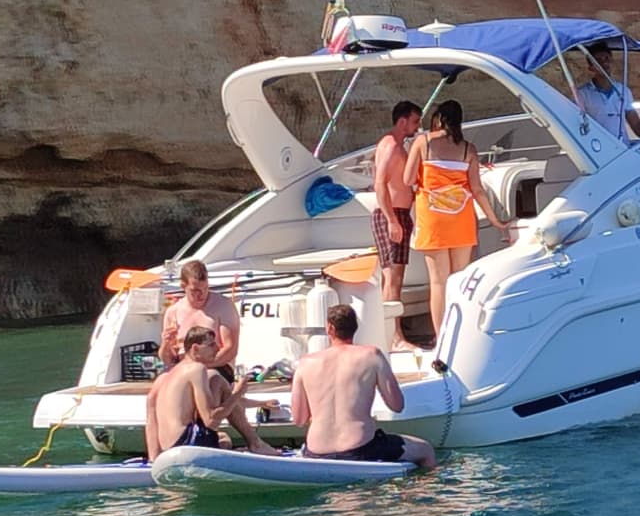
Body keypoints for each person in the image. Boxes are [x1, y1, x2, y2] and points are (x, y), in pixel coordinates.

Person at [403, 99, 511, 339]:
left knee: (438, 282)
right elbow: (478, 189)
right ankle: (461, 333)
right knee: (459, 278)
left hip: (433, 218)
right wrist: (496, 221)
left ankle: (442, 336)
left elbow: (408, 179)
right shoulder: (468, 149)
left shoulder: (423, 142)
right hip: (461, 218)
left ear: (439, 119)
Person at [290, 304, 436, 467]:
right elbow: (397, 405)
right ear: (355, 327)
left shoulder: (306, 363)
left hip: (317, 452)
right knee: (425, 450)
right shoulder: (371, 355)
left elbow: (299, 419)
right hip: (361, 449)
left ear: (329, 328)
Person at [157, 259, 277, 455]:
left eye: (204, 289)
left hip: (216, 365)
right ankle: (156, 454)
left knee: (213, 377)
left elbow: (229, 348)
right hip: (183, 368)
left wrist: (203, 367)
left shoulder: (222, 306)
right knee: (160, 385)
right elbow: (166, 358)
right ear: (183, 287)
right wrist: (165, 344)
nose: (200, 295)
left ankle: (253, 441)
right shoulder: (173, 312)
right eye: (194, 290)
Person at [146, 326, 250, 459]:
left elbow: (151, 423)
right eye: (211, 345)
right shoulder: (197, 369)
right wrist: (238, 393)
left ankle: (249, 445)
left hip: (168, 450)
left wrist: (154, 460)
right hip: (188, 446)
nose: (218, 349)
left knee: (223, 438)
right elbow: (211, 421)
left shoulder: (162, 378)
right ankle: (255, 443)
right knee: (216, 379)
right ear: (195, 348)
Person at [371, 100, 423, 350]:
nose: (417, 127)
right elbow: (380, 183)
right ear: (402, 121)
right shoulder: (391, 146)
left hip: (398, 214)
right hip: (392, 214)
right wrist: (392, 219)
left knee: (393, 277)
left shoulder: (394, 145)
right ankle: (394, 336)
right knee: (393, 277)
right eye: (415, 121)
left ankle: (388, 333)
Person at [577, 43, 640, 145]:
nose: (604, 63)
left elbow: (635, 123)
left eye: (606, 58)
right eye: (598, 60)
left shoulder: (624, 91)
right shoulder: (582, 94)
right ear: (591, 67)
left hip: (622, 148)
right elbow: (579, 124)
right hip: (597, 149)